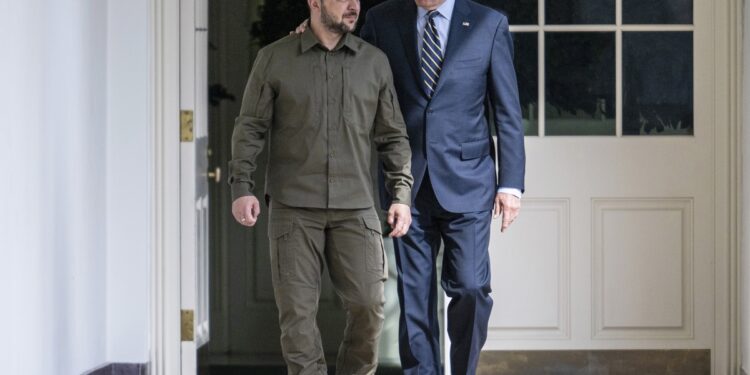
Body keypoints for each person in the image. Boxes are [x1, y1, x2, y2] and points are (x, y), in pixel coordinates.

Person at [298, 0, 526, 372]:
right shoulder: (384, 20)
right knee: (414, 295)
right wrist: (308, 33)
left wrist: (511, 184)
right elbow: (349, 60)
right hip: (405, 186)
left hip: (468, 183)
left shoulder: (488, 24)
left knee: (470, 286)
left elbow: (507, 110)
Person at [227, 0, 414, 373]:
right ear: (314, 2)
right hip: (293, 208)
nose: (353, 6)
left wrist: (401, 194)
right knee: (297, 319)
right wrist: (241, 186)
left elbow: (393, 136)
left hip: (356, 207)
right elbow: (250, 127)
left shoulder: (373, 62)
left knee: (368, 307)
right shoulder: (274, 59)